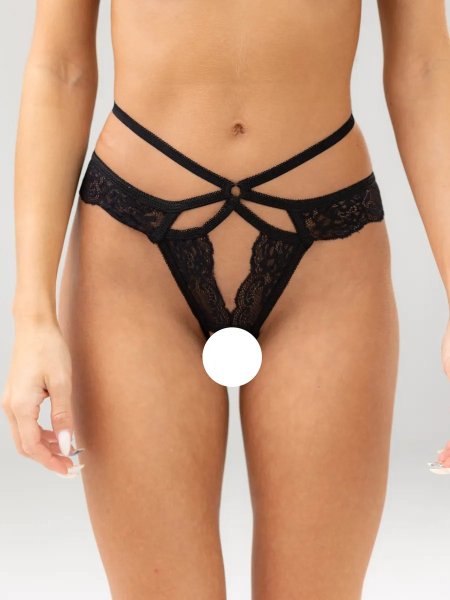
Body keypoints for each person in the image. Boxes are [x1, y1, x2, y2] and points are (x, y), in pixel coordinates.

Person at [2, 1, 450, 598]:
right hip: (133, 251)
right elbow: (61, 67)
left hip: (327, 255)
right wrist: (32, 316)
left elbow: (425, 67)